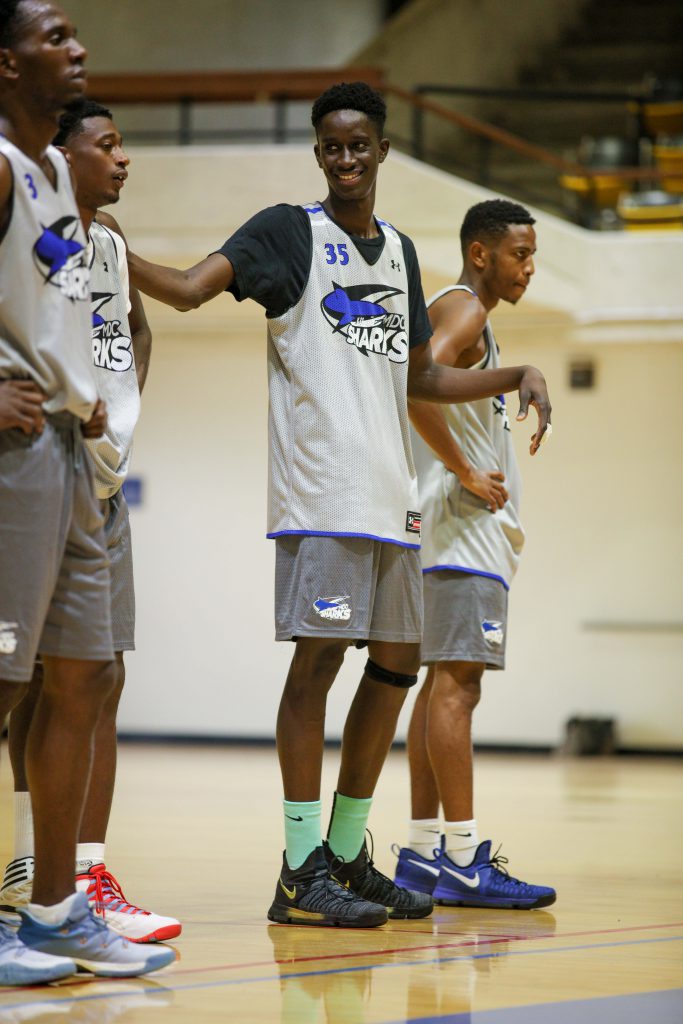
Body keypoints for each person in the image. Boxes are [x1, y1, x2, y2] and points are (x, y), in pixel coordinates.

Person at [124, 81, 551, 928]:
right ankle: (296, 869)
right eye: (331, 146)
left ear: (382, 150)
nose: (345, 158)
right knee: (317, 668)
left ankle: (348, 854)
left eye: (359, 145)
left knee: (395, 668)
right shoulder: (287, 232)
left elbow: (420, 378)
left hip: (393, 504)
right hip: (319, 495)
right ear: (318, 153)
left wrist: (516, 373)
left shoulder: (396, 251)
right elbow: (184, 290)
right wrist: (112, 247)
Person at [0, 0, 174, 983]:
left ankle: (57, 910)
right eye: (56, 38)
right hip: (15, 458)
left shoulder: (57, 186)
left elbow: (106, 320)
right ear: (7, 63)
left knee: (84, 677)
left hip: (71, 452)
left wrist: (95, 392)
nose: (78, 50)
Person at [393, 199, 556, 909]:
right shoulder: (465, 310)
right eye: (519, 253)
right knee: (457, 687)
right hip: (459, 530)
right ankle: (461, 856)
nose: (528, 267)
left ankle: (424, 854)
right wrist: (463, 468)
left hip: (447, 532)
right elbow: (415, 382)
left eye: (532, 255)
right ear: (480, 252)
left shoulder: (463, 315)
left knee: (439, 687)